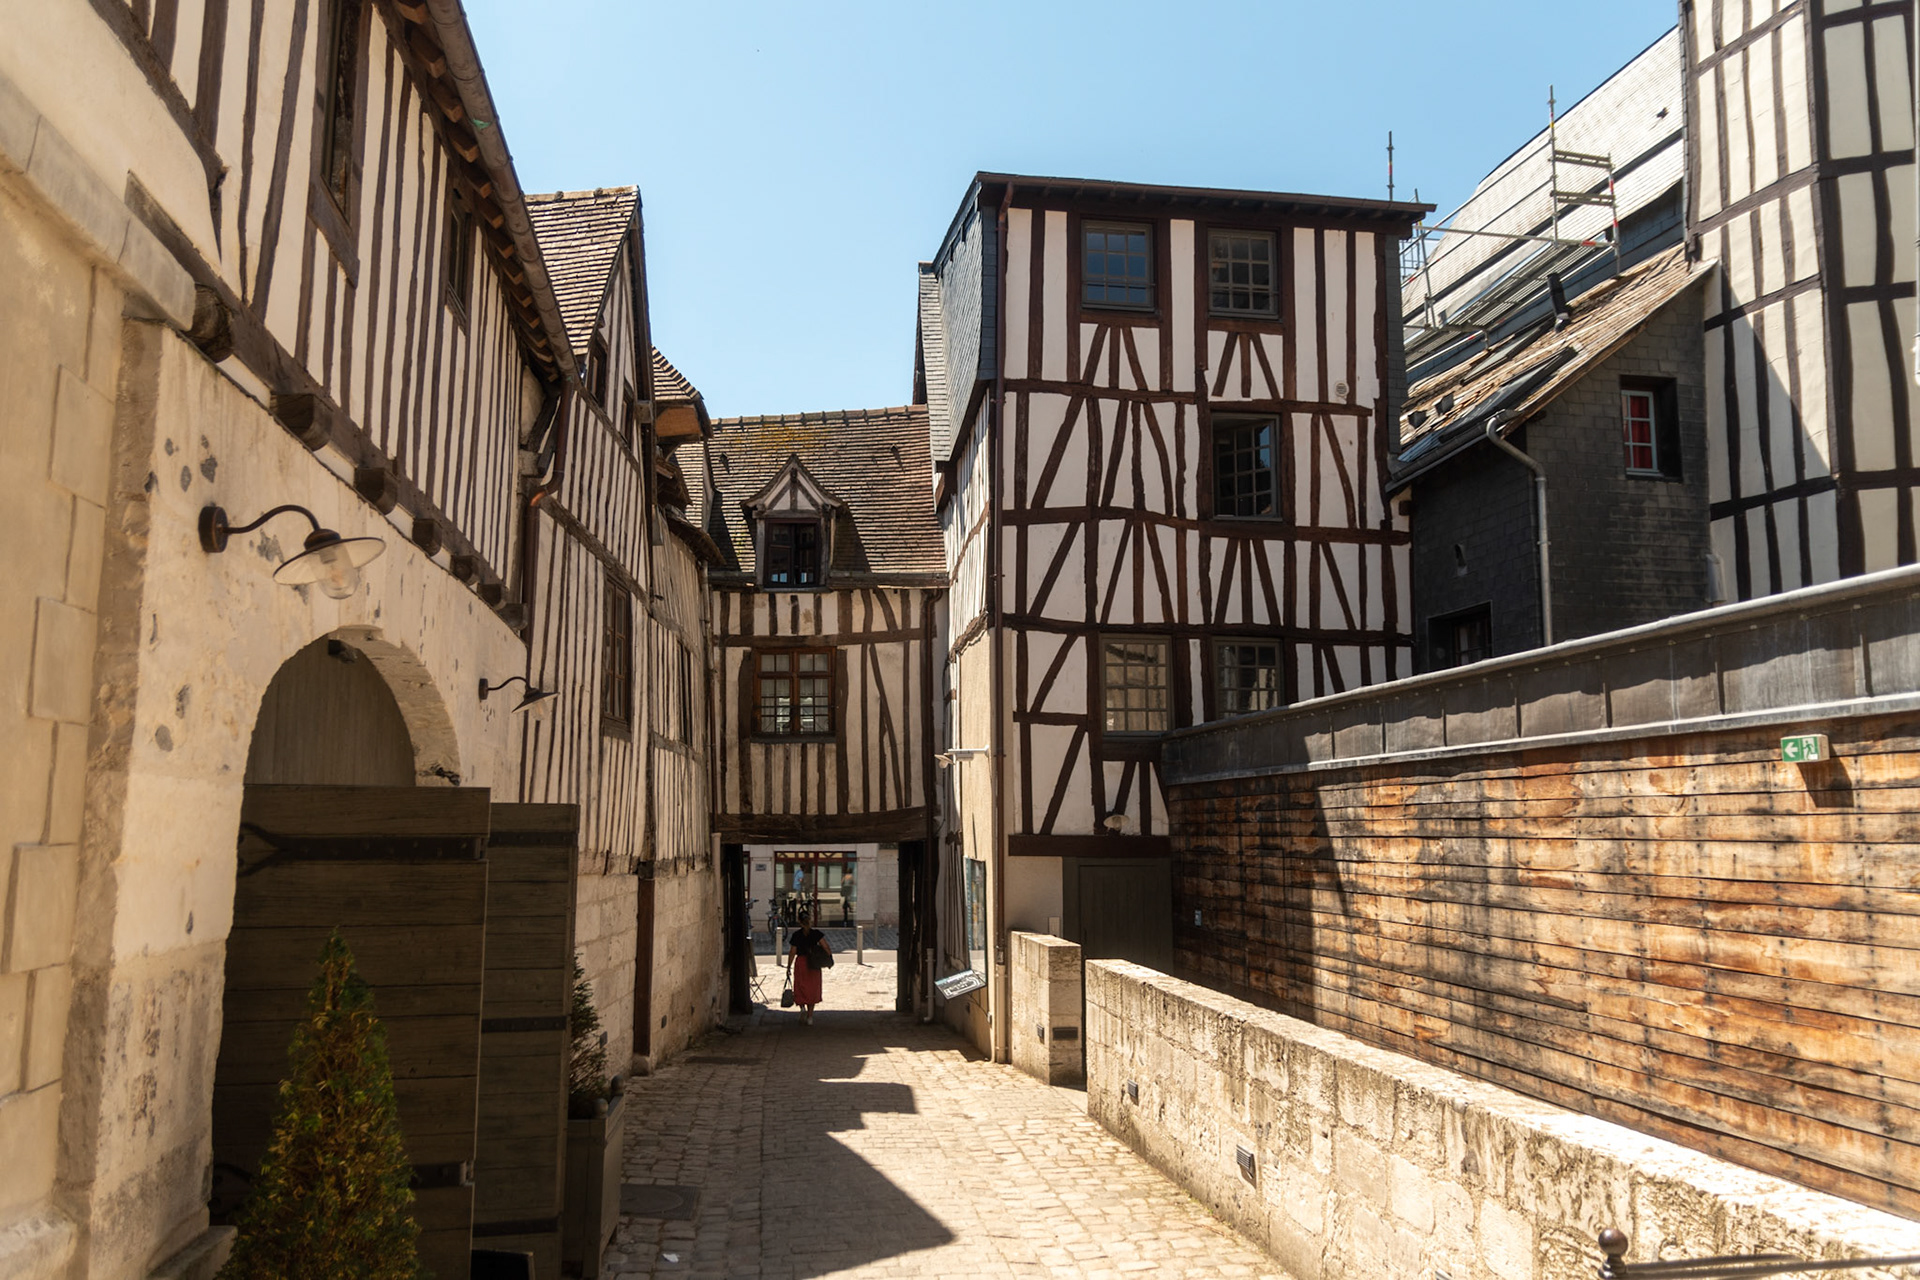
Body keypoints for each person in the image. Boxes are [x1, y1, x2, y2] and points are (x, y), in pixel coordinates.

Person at [786, 908, 829, 1024]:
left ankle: (802, 1008)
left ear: (799, 921)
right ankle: (810, 1016)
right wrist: (829, 958)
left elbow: (792, 952)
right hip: (814, 963)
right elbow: (825, 946)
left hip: (801, 962)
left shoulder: (796, 935)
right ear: (809, 920)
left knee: (800, 986)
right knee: (812, 988)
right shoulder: (816, 934)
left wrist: (788, 966)